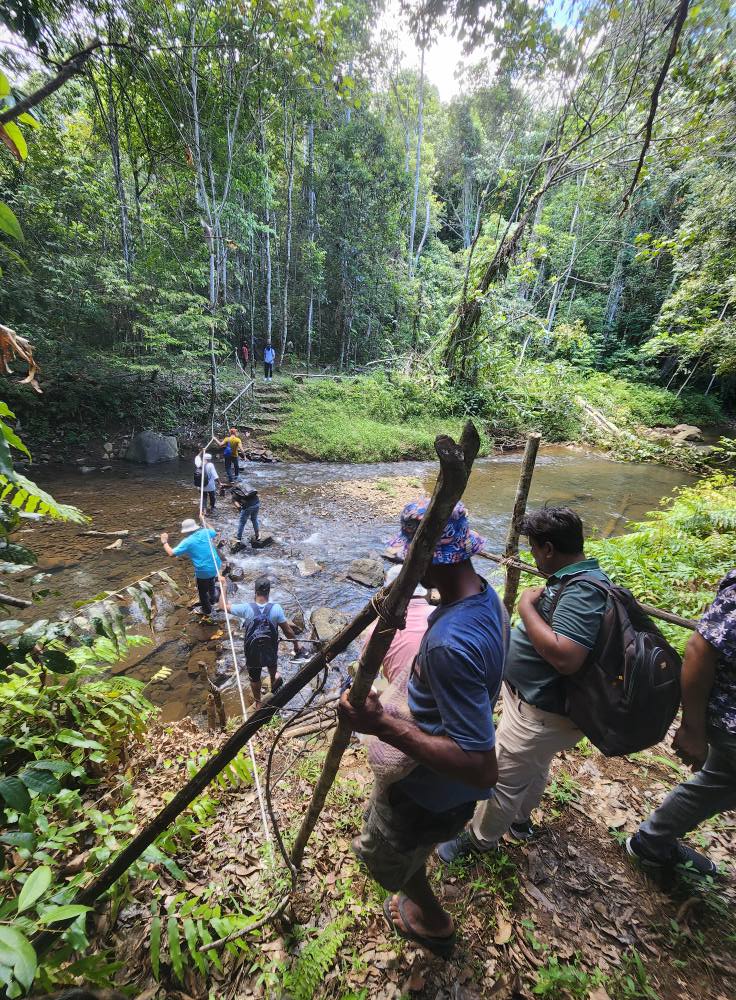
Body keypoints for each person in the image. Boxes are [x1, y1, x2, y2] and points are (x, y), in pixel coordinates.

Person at [338, 500, 506, 957]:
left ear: (427, 559)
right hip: (450, 797)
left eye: (410, 558)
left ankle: (432, 921)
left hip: (427, 793)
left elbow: (481, 767)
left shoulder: (448, 646)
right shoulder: (486, 598)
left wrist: (381, 725)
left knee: (385, 853)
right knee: (419, 843)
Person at [437, 506, 610, 863]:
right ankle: (520, 820)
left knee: (502, 778)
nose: (532, 555)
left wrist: (527, 607)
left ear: (548, 548)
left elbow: (566, 656)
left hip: (540, 712)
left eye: (533, 548)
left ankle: (480, 841)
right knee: (535, 764)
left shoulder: (582, 591)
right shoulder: (579, 578)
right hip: (546, 713)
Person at [626, 569, 736, 882]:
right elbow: (701, 648)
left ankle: (652, 841)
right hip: (730, 719)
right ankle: (652, 840)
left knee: (719, 781)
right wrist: (692, 728)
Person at [222, 576, 302, 708]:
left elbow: (223, 606)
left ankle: (258, 702)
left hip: (252, 651)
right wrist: (296, 645)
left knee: (254, 677)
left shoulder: (246, 608)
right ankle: (273, 681)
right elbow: (288, 631)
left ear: (255, 591)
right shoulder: (276, 608)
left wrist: (224, 586)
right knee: (272, 663)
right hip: (270, 648)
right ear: (268, 592)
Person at [360, 563, 433, 690]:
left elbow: (364, 673)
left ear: (387, 595)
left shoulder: (377, 631)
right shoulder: (442, 616)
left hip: (402, 700)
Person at [160, 515, 221, 619]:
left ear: (186, 531)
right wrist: (204, 520)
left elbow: (171, 553)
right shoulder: (205, 532)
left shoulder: (187, 542)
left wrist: (164, 542)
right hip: (216, 565)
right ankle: (213, 599)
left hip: (203, 571)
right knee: (211, 581)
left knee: (202, 592)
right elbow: (213, 531)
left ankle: (207, 610)